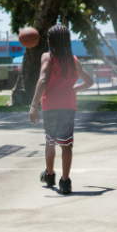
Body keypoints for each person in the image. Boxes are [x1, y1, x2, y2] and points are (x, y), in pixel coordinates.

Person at [29, 24, 94, 194]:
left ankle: (49, 175)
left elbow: (43, 80)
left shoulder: (47, 57)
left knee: (50, 141)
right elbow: (89, 82)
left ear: (50, 42)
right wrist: (75, 89)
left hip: (50, 106)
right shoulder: (74, 61)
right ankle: (65, 181)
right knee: (66, 145)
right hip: (68, 106)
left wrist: (33, 104)